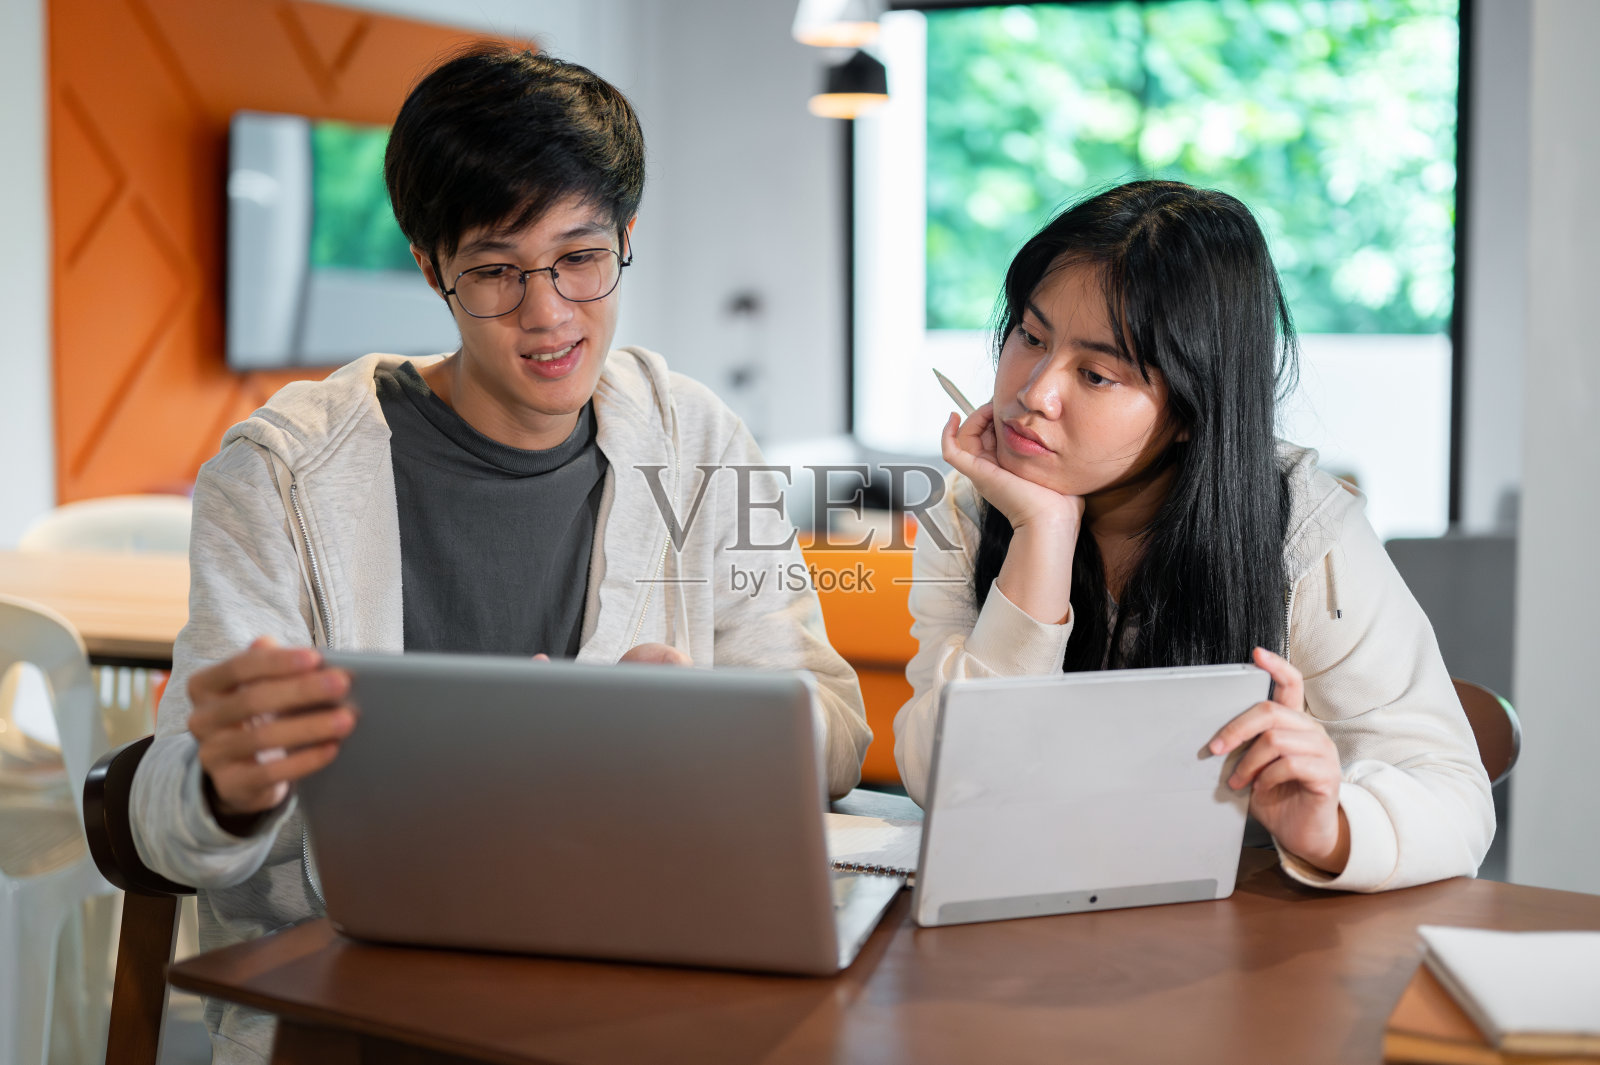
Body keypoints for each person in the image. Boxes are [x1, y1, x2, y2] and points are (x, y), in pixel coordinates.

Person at [130, 45, 870, 1061]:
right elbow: (175, 829)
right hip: (356, 1005)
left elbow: (833, 729)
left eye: (580, 256)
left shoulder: (700, 442)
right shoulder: (283, 473)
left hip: (646, 978)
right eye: (495, 270)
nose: (549, 312)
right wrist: (226, 785)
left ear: (626, 238)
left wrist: (711, 720)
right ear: (430, 264)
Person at [894, 180, 1492, 893]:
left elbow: (1455, 798)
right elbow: (947, 783)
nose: (1034, 392)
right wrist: (1041, 537)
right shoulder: (973, 509)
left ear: (1189, 406)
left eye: (1095, 373)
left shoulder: (1300, 530)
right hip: (1026, 929)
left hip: (1237, 952)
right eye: (1030, 335)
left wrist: (1331, 825)